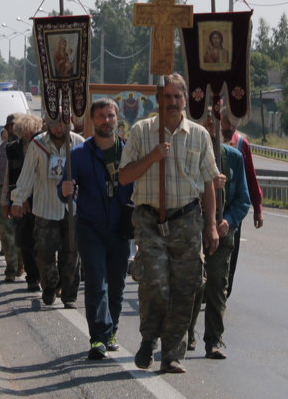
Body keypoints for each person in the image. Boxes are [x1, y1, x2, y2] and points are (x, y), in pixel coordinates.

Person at [119, 73, 220, 375]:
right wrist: (152, 157)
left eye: (178, 97)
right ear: (158, 101)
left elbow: (208, 184)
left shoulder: (199, 136)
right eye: (167, 98)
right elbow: (124, 177)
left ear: (185, 100)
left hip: (187, 220)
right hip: (150, 219)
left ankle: (172, 354)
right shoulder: (142, 132)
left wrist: (211, 225)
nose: (173, 103)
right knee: (155, 285)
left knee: (186, 288)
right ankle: (149, 339)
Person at [61, 97, 133, 360]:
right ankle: (98, 338)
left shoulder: (128, 151)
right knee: (95, 282)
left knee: (116, 284)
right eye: (101, 116)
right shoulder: (79, 154)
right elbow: (64, 189)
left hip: (121, 228)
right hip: (89, 227)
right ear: (93, 121)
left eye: (111, 115)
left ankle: (112, 331)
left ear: (117, 119)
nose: (106, 120)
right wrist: (65, 190)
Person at [187, 122, 250, 360]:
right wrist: (209, 187)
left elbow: (243, 199)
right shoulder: (189, 155)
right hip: (193, 229)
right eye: (205, 123)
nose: (210, 128)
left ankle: (213, 340)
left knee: (216, 285)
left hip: (223, 234)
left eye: (215, 124)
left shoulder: (233, 157)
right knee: (192, 283)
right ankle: (186, 333)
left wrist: (229, 221)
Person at [11, 115, 84, 308]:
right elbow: (27, 174)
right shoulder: (38, 144)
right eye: (54, 123)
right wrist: (19, 199)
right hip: (45, 207)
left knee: (72, 254)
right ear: (47, 124)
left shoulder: (79, 143)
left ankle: (69, 296)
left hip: (72, 209)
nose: (59, 128)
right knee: (44, 253)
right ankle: (50, 284)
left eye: (63, 123)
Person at [218, 108, 263, 298]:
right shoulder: (208, 139)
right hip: (209, 206)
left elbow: (250, 177)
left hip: (233, 208)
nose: (230, 127)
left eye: (233, 124)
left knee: (231, 251)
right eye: (227, 122)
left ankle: (224, 291)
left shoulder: (242, 144)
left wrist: (257, 208)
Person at [2, 113, 43, 290]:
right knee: (25, 240)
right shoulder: (12, 148)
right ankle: (32, 277)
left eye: (31, 132)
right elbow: (9, 175)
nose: (28, 136)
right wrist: (8, 200)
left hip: (42, 197)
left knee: (43, 240)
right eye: (24, 132)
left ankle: (45, 274)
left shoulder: (43, 146)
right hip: (19, 198)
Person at [0, 114, 23, 281]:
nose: (14, 129)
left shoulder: (29, 146)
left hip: (23, 191)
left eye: (17, 126)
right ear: (6, 128)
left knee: (22, 231)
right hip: (2, 192)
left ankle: (21, 262)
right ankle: (11, 268)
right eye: (11, 126)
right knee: (6, 233)